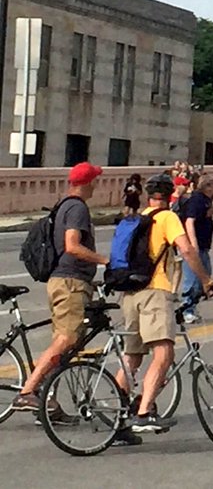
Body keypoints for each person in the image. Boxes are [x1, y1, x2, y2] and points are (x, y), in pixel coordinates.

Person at [115, 173, 213, 434]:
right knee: (164, 353)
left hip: (130, 293)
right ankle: (144, 413)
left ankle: (117, 418)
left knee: (132, 357)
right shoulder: (167, 217)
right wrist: (206, 281)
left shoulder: (137, 219)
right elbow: (185, 249)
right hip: (155, 291)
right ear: (171, 195)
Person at [11, 163, 108, 415]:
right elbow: (72, 246)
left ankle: (47, 404)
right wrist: (104, 260)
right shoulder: (77, 208)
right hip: (70, 282)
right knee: (67, 339)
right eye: (95, 180)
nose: (97, 184)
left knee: (63, 342)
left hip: (64, 279)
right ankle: (28, 392)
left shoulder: (64, 204)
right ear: (87, 183)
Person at [181, 176, 213, 324]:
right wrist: (193, 243)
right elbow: (189, 222)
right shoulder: (197, 200)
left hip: (204, 245)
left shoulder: (206, 201)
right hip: (195, 246)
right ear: (207, 187)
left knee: (206, 276)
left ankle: (192, 305)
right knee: (192, 277)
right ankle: (186, 309)